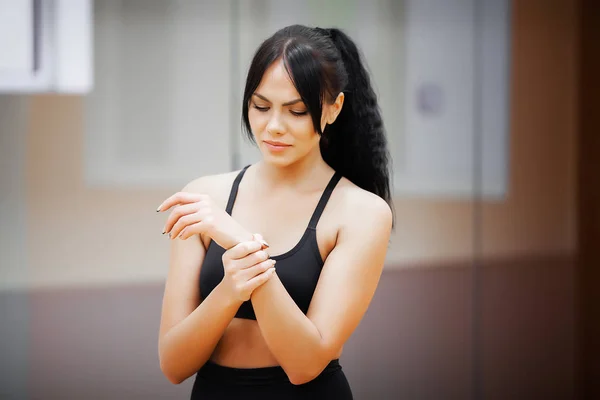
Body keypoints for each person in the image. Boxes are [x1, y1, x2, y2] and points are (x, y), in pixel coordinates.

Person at [156, 24, 394, 399]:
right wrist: (230, 291)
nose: (274, 127)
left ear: (334, 109)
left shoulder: (362, 212)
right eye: (261, 106)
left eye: (297, 111)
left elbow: (305, 365)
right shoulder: (204, 196)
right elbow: (174, 365)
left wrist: (240, 245)